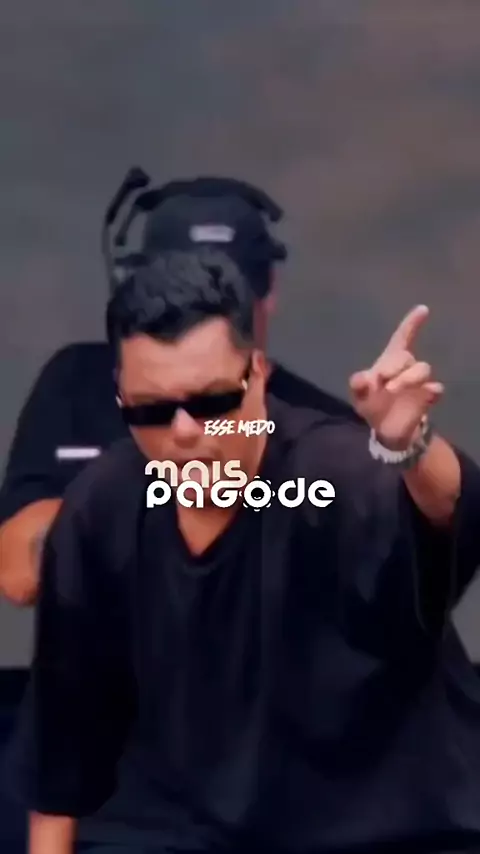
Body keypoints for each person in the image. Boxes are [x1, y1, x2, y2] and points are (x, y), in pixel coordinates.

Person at [10, 248, 480, 854]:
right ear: (120, 395)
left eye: (212, 402)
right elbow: (63, 751)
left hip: (389, 832)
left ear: (257, 373)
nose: (184, 432)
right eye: (152, 409)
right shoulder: (101, 508)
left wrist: (411, 445)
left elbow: (446, 510)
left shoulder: (332, 473)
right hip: (180, 832)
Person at [0, 171, 356, 607]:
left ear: (268, 294)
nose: (205, 316)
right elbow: (19, 573)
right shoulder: (74, 382)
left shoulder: (333, 432)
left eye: (230, 295)